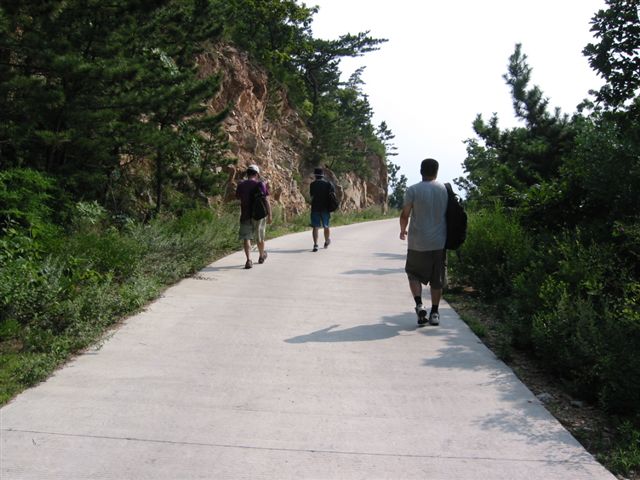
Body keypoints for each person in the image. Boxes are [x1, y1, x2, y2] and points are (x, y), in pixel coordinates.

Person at [399, 158, 448, 326]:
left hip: (417, 242)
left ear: (421, 171)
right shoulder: (444, 190)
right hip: (439, 242)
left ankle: (419, 305)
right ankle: (435, 313)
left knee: (413, 274)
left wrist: (403, 230)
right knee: (436, 279)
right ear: (436, 171)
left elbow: (405, 215)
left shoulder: (413, 190)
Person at [235, 164, 272, 269]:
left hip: (245, 215)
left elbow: (237, 197)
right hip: (259, 215)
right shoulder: (260, 184)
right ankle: (261, 256)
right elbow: (266, 200)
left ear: (247, 174)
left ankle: (248, 260)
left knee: (246, 238)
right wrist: (270, 215)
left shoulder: (241, 185)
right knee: (260, 237)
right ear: (257, 174)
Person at [309, 167, 335, 252]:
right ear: (323, 175)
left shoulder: (312, 184)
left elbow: (312, 196)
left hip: (315, 208)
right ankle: (327, 241)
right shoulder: (328, 184)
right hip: (325, 208)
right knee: (326, 226)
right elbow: (332, 195)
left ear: (315, 175)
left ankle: (315, 245)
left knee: (315, 227)